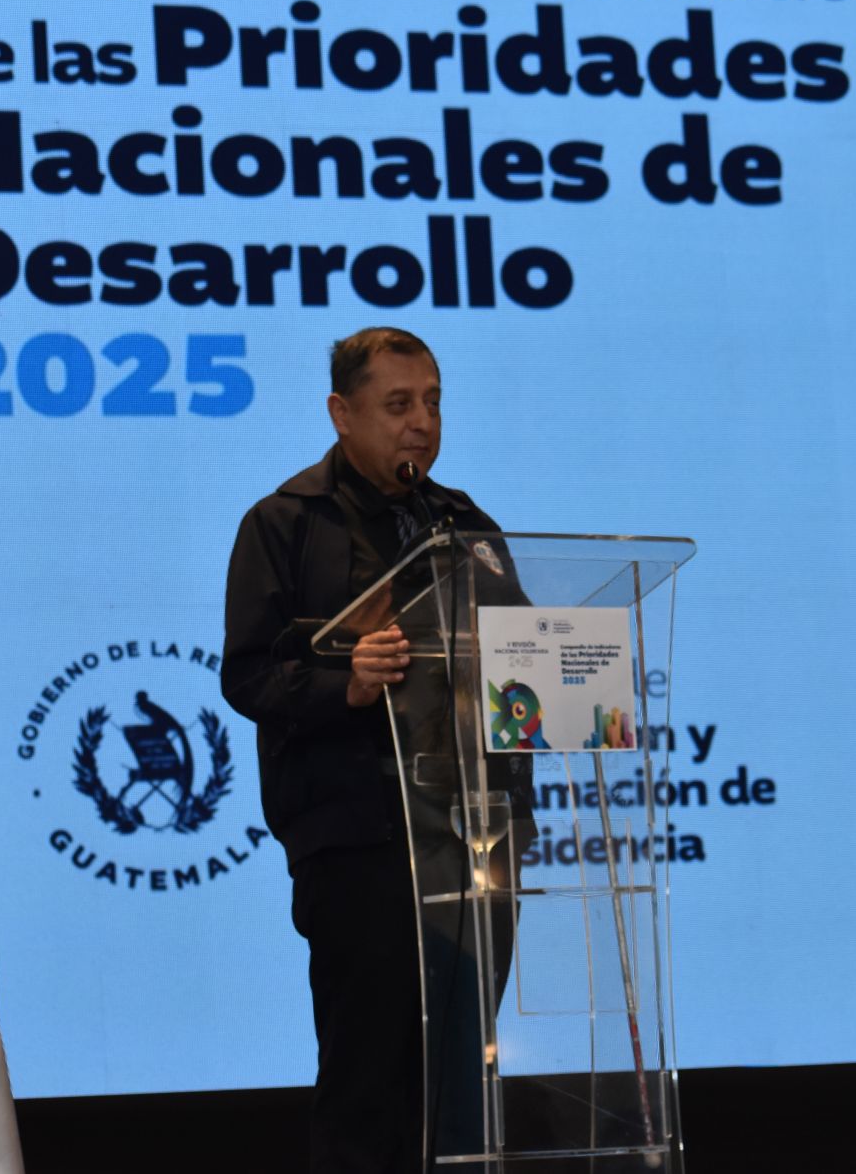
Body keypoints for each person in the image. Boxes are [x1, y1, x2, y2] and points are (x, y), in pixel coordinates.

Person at [221, 327, 515, 1173]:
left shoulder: (464, 524)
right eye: (398, 404)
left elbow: (520, 652)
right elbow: (247, 674)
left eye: (433, 402)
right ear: (341, 413)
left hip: (472, 840)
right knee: (368, 1087)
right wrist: (343, 683)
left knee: (462, 1086)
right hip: (358, 846)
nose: (422, 421)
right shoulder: (285, 523)